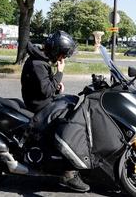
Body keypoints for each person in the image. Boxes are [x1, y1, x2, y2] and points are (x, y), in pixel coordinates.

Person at [21, 30, 90, 192]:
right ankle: (67, 173)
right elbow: (45, 90)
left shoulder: (41, 60)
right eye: (63, 55)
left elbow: (45, 85)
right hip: (39, 105)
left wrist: (57, 86)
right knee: (67, 129)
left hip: (43, 100)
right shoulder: (37, 63)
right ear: (55, 51)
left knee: (72, 104)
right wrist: (59, 73)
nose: (63, 59)